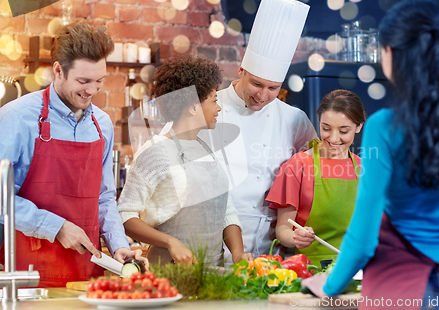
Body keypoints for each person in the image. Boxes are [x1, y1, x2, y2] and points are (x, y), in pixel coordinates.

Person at [302, 0, 439, 309]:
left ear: (392, 53)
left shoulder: (384, 127)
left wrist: (328, 284)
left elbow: (364, 239)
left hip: (400, 291)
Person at [0, 22, 145, 287]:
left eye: (99, 81)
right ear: (58, 70)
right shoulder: (17, 118)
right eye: (83, 81)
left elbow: (103, 197)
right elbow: (1, 199)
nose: (92, 90)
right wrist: (56, 227)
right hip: (29, 276)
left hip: (87, 274)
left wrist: (118, 245)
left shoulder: (102, 125)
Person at [201, 0, 317, 261]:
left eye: (273, 87)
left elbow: (317, 172)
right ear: (241, 70)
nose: (263, 95)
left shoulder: (295, 119)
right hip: (210, 241)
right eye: (256, 84)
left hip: (268, 247)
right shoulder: (206, 107)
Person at [117, 55, 253, 266]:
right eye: (214, 100)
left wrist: (237, 254)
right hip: (168, 271)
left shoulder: (209, 151)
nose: (219, 108)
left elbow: (226, 212)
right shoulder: (156, 152)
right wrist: (171, 242)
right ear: (192, 107)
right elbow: (126, 216)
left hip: (211, 272)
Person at [266, 90, 365, 268]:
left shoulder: (365, 170)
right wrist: (294, 238)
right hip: (309, 269)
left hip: (357, 268)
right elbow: (282, 228)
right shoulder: (297, 166)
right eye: (326, 128)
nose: (333, 138)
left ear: (359, 127)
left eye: (343, 131)